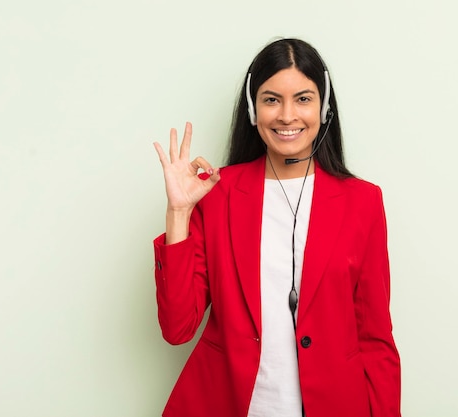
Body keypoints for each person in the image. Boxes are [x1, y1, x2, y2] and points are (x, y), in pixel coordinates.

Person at [152, 38, 401, 417]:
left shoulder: (362, 202)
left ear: (324, 106)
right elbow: (178, 328)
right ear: (253, 109)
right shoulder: (218, 194)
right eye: (271, 99)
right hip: (231, 404)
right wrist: (179, 212)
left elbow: (375, 338)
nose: (287, 116)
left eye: (303, 98)